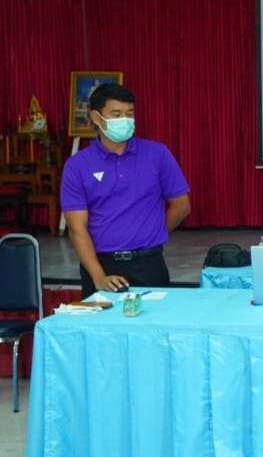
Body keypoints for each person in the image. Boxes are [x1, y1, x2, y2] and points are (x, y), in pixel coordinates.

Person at [60, 83, 191, 298]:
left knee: (155, 319)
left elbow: (181, 205)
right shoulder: (77, 165)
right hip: (101, 265)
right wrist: (99, 277)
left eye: (129, 114)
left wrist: (152, 232)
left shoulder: (157, 154)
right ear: (96, 117)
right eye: (116, 114)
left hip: (149, 264)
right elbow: (77, 228)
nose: (125, 120)